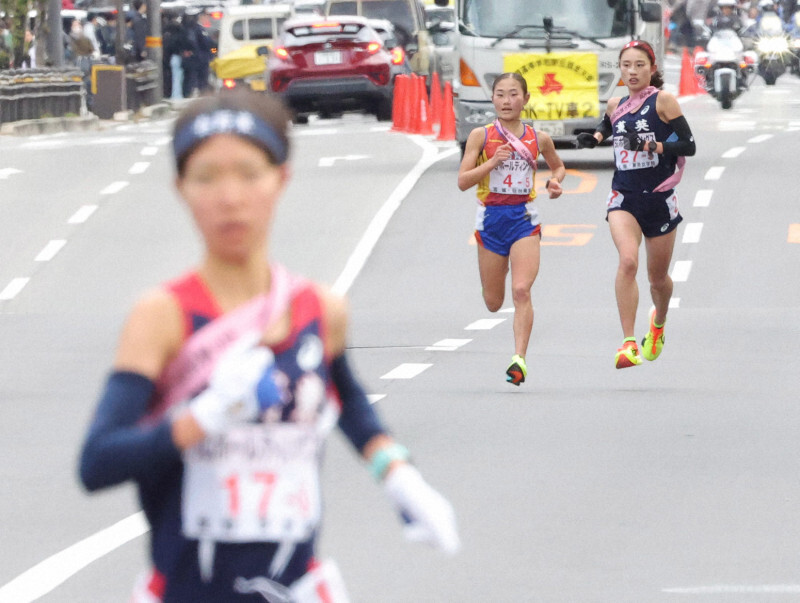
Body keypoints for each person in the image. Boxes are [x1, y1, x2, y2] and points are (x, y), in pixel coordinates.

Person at [78, 89, 459, 602]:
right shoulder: (163, 316)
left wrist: (398, 475)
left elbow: (348, 404)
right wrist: (203, 418)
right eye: (207, 177)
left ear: (281, 179)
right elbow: (98, 462)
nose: (230, 197)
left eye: (250, 173)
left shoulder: (319, 310)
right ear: (180, 188)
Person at [576, 40, 696, 369]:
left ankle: (657, 325)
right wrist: (593, 138)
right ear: (620, 69)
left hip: (659, 199)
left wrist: (650, 144)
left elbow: (689, 144)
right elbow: (606, 126)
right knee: (628, 262)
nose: (632, 71)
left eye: (640, 65)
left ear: (652, 69)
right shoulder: (616, 103)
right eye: (626, 65)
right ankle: (628, 343)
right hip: (624, 197)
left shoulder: (664, 102)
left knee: (658, 279)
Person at [457, 72, 566, 386]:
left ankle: (519, 359)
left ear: (526, 99)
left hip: (524, 220)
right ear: (492, 99)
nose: (507, 101)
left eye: (513, 94)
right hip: (491, 220)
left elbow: (557, 165)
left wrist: (555, 181)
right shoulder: (481, 135)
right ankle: (496, 272)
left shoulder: (538, 138)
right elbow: (463, 181)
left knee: (521, 290)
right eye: (501, 94)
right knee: (493, 302)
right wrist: (490, 163)